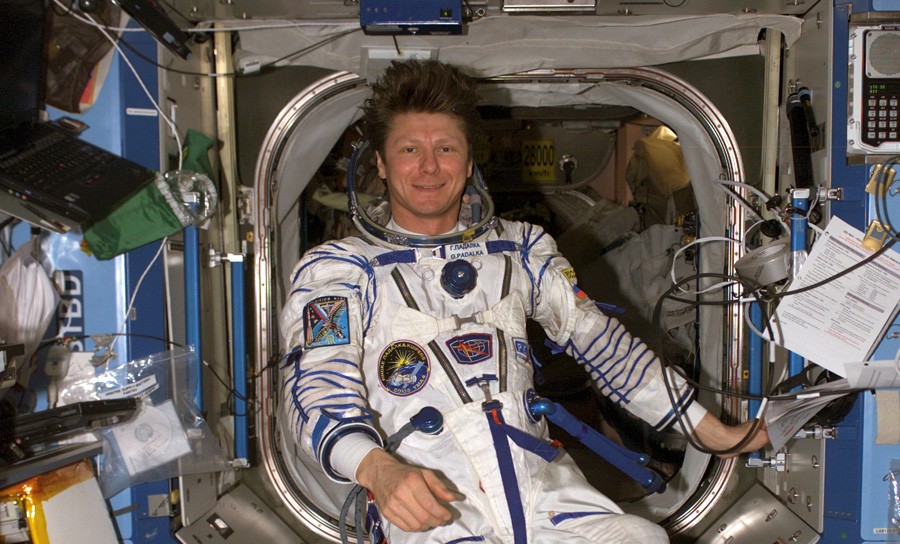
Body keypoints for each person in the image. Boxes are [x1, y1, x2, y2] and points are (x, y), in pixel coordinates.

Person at [280, 59, 768, 544]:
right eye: (410, 149)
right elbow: (317, 389)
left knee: (645, 539)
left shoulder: (521, 249)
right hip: (430, 498)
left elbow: (602, 345)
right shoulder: (340, 270)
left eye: (446, 148)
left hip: (540, 487)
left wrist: (709, 430)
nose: (429, 166)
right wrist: (377, 469)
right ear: (382, 164)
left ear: (468, 162)